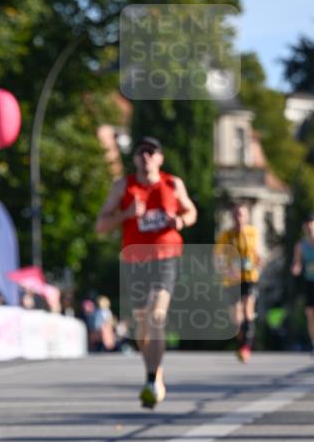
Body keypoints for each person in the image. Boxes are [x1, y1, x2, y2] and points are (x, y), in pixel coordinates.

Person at [95, 136, 197, 407]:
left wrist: (182, 220)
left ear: (160, 158)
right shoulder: (123, 187)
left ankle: (151, 379)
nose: (147, 156)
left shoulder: (173, 184)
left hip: (166, 258)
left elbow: (191, 211)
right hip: (135, 260)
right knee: (142, 328)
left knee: (156, 316)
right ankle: (155, 372)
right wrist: (126, 214)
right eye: (141, 152)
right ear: (135, 158)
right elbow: (101, 225)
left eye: (152, 152)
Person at [214, 202, 262, 362]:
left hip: (249, 277)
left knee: (248, 308)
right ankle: (242, 344)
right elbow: (218, 258)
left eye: (241, 214)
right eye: (235, 214)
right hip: (231, 280)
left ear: (247, 216)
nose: (238, 218)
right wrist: (224, 269)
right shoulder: (225, 236)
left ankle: (247, 347)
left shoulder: (253, 233)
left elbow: (257, 253)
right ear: (232, 217)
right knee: (236, 317)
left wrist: (259, 260)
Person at [291, 213, 314, 351]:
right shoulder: (300, 245)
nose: (309, 229)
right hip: (309, 282)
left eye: (311, 226)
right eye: (307, 227)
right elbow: (297, 263)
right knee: (311, 314)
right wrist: (296, 268)